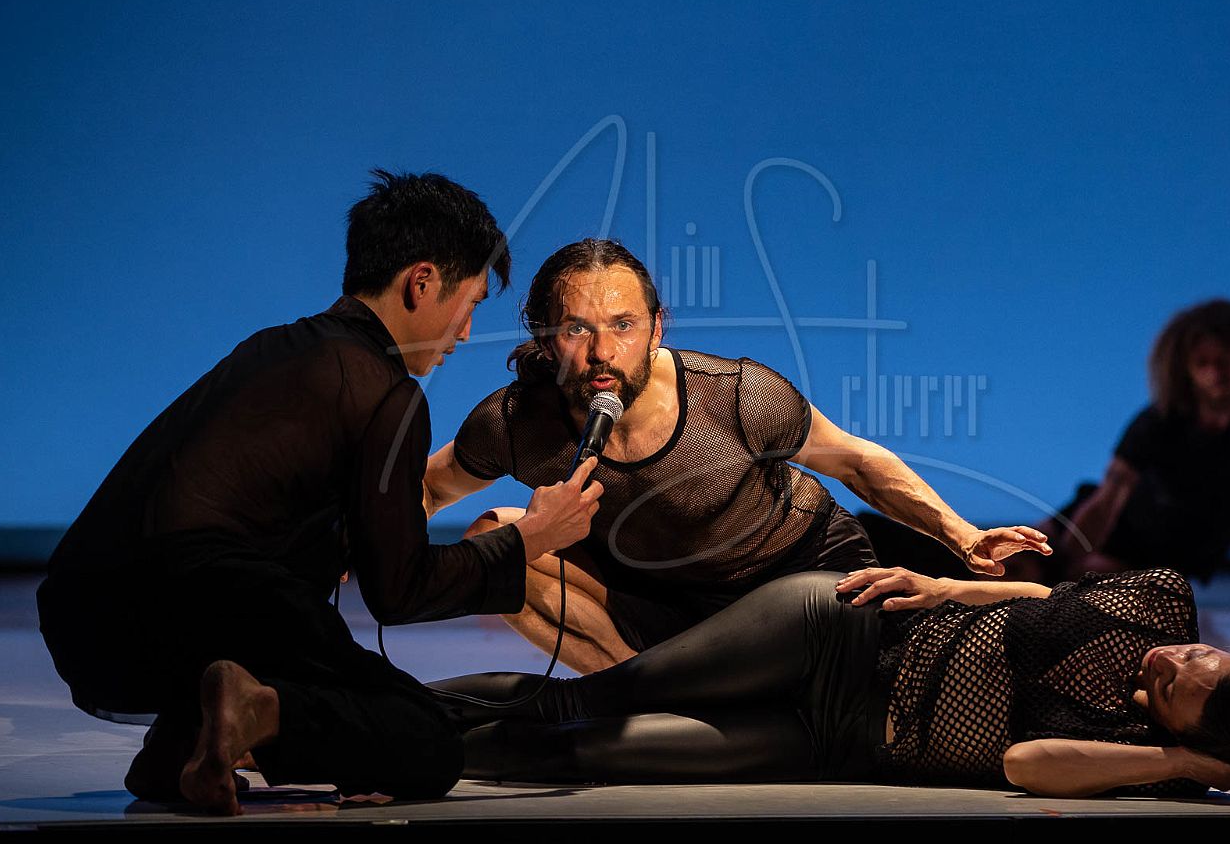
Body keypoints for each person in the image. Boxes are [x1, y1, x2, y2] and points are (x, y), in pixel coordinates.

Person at [35, 171, 604, 815]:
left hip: (81, 620)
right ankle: (256, 712)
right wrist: (529, 539)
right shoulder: (385, 391)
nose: (467, 331)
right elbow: (400, 591)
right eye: (469, 302)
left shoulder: (271, 348)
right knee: (427, 740)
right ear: (421, 282)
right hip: (198, 604)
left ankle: (183, 746)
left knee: (298, 639)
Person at [421, 239, 1052, 673]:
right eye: (576, 329)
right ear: (544, 337)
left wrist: (962, 536)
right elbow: (428, 489)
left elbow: (855, 461)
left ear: (656, 328)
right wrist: (369, 553)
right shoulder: (515, 424)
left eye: (623, 325)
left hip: (800, 586)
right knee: (495, 538)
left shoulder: (735, 395)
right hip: (669, 606)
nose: (602, 352)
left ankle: (691, 696)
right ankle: (638, 692)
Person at [430, 565, 1230, 798]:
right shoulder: (1160, 601)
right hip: (839, 636)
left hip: (835, 742)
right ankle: (393, 713)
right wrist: (945, 585)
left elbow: (1025, 764)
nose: (1173, 661)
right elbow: (1052, 599)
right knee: (593, 698)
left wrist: (1182, 768)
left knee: (596, 755)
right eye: (1202, 657)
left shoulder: (1142, 762)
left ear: (1185, 737)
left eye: (1180, 687)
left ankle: (409, 752)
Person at [874, 299, 1230, 606]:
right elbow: (1108, 499)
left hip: (1167, 548)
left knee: (1044, 572)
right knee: (1012, 559)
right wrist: (1064, 564)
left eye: (1223, 362)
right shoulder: (1160, 421)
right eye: (1203, 363)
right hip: (1103, 525)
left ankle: (889, 558)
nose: (1215, 374)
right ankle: (878, 548)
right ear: (1186, 369)